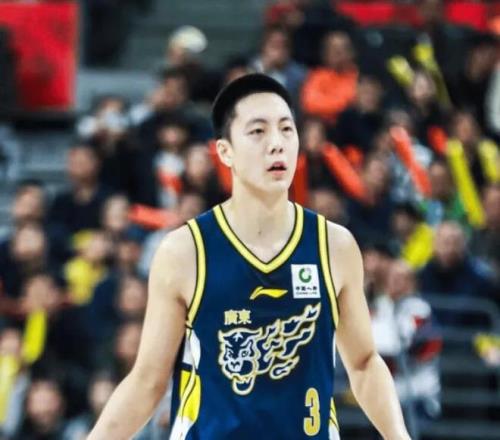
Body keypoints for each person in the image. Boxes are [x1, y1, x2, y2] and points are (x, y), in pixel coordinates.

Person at [88, 74, 410, 439]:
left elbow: (364, 364)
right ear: (225, 151)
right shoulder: (185, 251)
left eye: (286, 129)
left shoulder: (334, 245)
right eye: (258, 131)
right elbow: (147, 381)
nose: (277, 144)